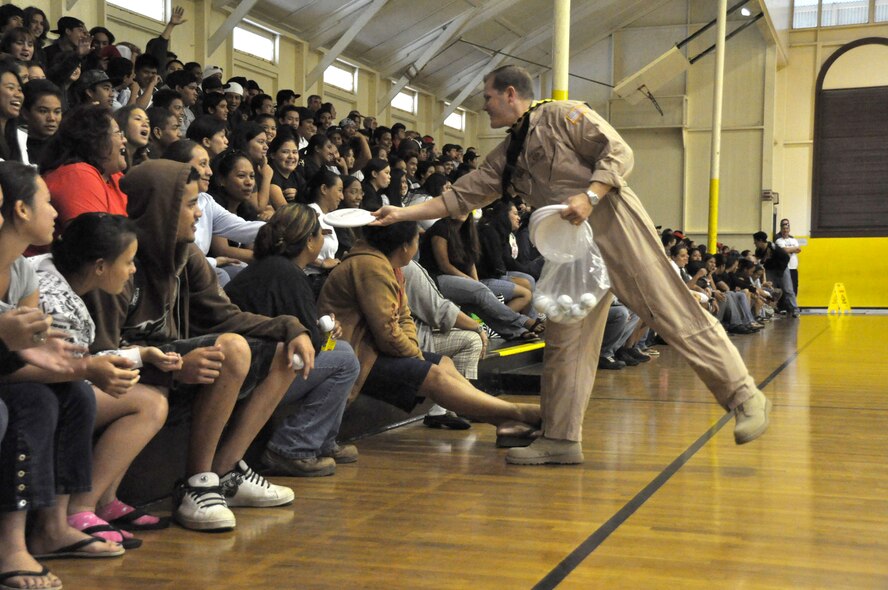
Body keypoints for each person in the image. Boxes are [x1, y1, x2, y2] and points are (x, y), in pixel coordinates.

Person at [373, 64, 772, 465]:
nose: (485, 105)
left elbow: (618, 151)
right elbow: (458, 198)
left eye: (489, 96)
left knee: (669, 310)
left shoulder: (563, 116)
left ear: (511, 94)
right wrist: (400, 215)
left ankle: (744, 397)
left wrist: (592, 196)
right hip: (571, 250)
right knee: (566, 341)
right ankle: (562, 439)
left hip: (613, 223)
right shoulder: (509, 153)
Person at [85, 160, 308, 532]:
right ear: (162, 209)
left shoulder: (186, 255)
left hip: (166, 366)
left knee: (287, 352)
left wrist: (291, 327)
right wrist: (172, 367)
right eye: (189, 204)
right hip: (128, 375)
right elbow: (102, 355)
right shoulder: (119, 265)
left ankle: (226, 473)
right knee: (233, 349)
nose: (199, 213)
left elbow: (228, 316)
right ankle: (197, 484)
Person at [317, 220, 540, 444]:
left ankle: (504, 421)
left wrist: (414, 350)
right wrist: (415, 355)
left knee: (443, 364)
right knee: (434, 374)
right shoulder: (370, 267)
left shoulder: (388, 265)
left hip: (374, 351)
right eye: (417, 240)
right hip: (356, 357)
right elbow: (387, 333)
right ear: (405, 246)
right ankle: (517, 412)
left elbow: (403, 317)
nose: (418, 245)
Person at [34, 213, 182, 548]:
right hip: (43, 391)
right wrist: (128, 360)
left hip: (56, 382)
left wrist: (140, 356)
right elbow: (67, 367)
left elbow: (76, 361)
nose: (133, 270)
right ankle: (80, 508)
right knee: (150, 404)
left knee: (147, 390)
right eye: (129, 262)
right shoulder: (56, 299)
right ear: (100, 265)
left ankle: (104, 500)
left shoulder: (58, 272)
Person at [225, 204, 360, 476]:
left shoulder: (272, 267)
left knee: (342, 351)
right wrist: (327, 332)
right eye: (320, 234)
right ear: (310, 241)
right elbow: (312, 342)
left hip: (248, 367)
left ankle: (321, 441)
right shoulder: (287, 272)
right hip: (251, 378)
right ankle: (293, 446)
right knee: (345, 359)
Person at [775, 218, 801, 298]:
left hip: (793, 267)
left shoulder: (793, 239)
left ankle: (794, 304)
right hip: (785, 267)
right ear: (781, 229)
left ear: (789, 229)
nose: (785, 230)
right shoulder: (778, 240)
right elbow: (783, 250)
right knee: (786, 288)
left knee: (794, 286)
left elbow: (799, 249)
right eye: (784, 229)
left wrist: (788, 250)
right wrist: (792, 249)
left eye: (787, 228)